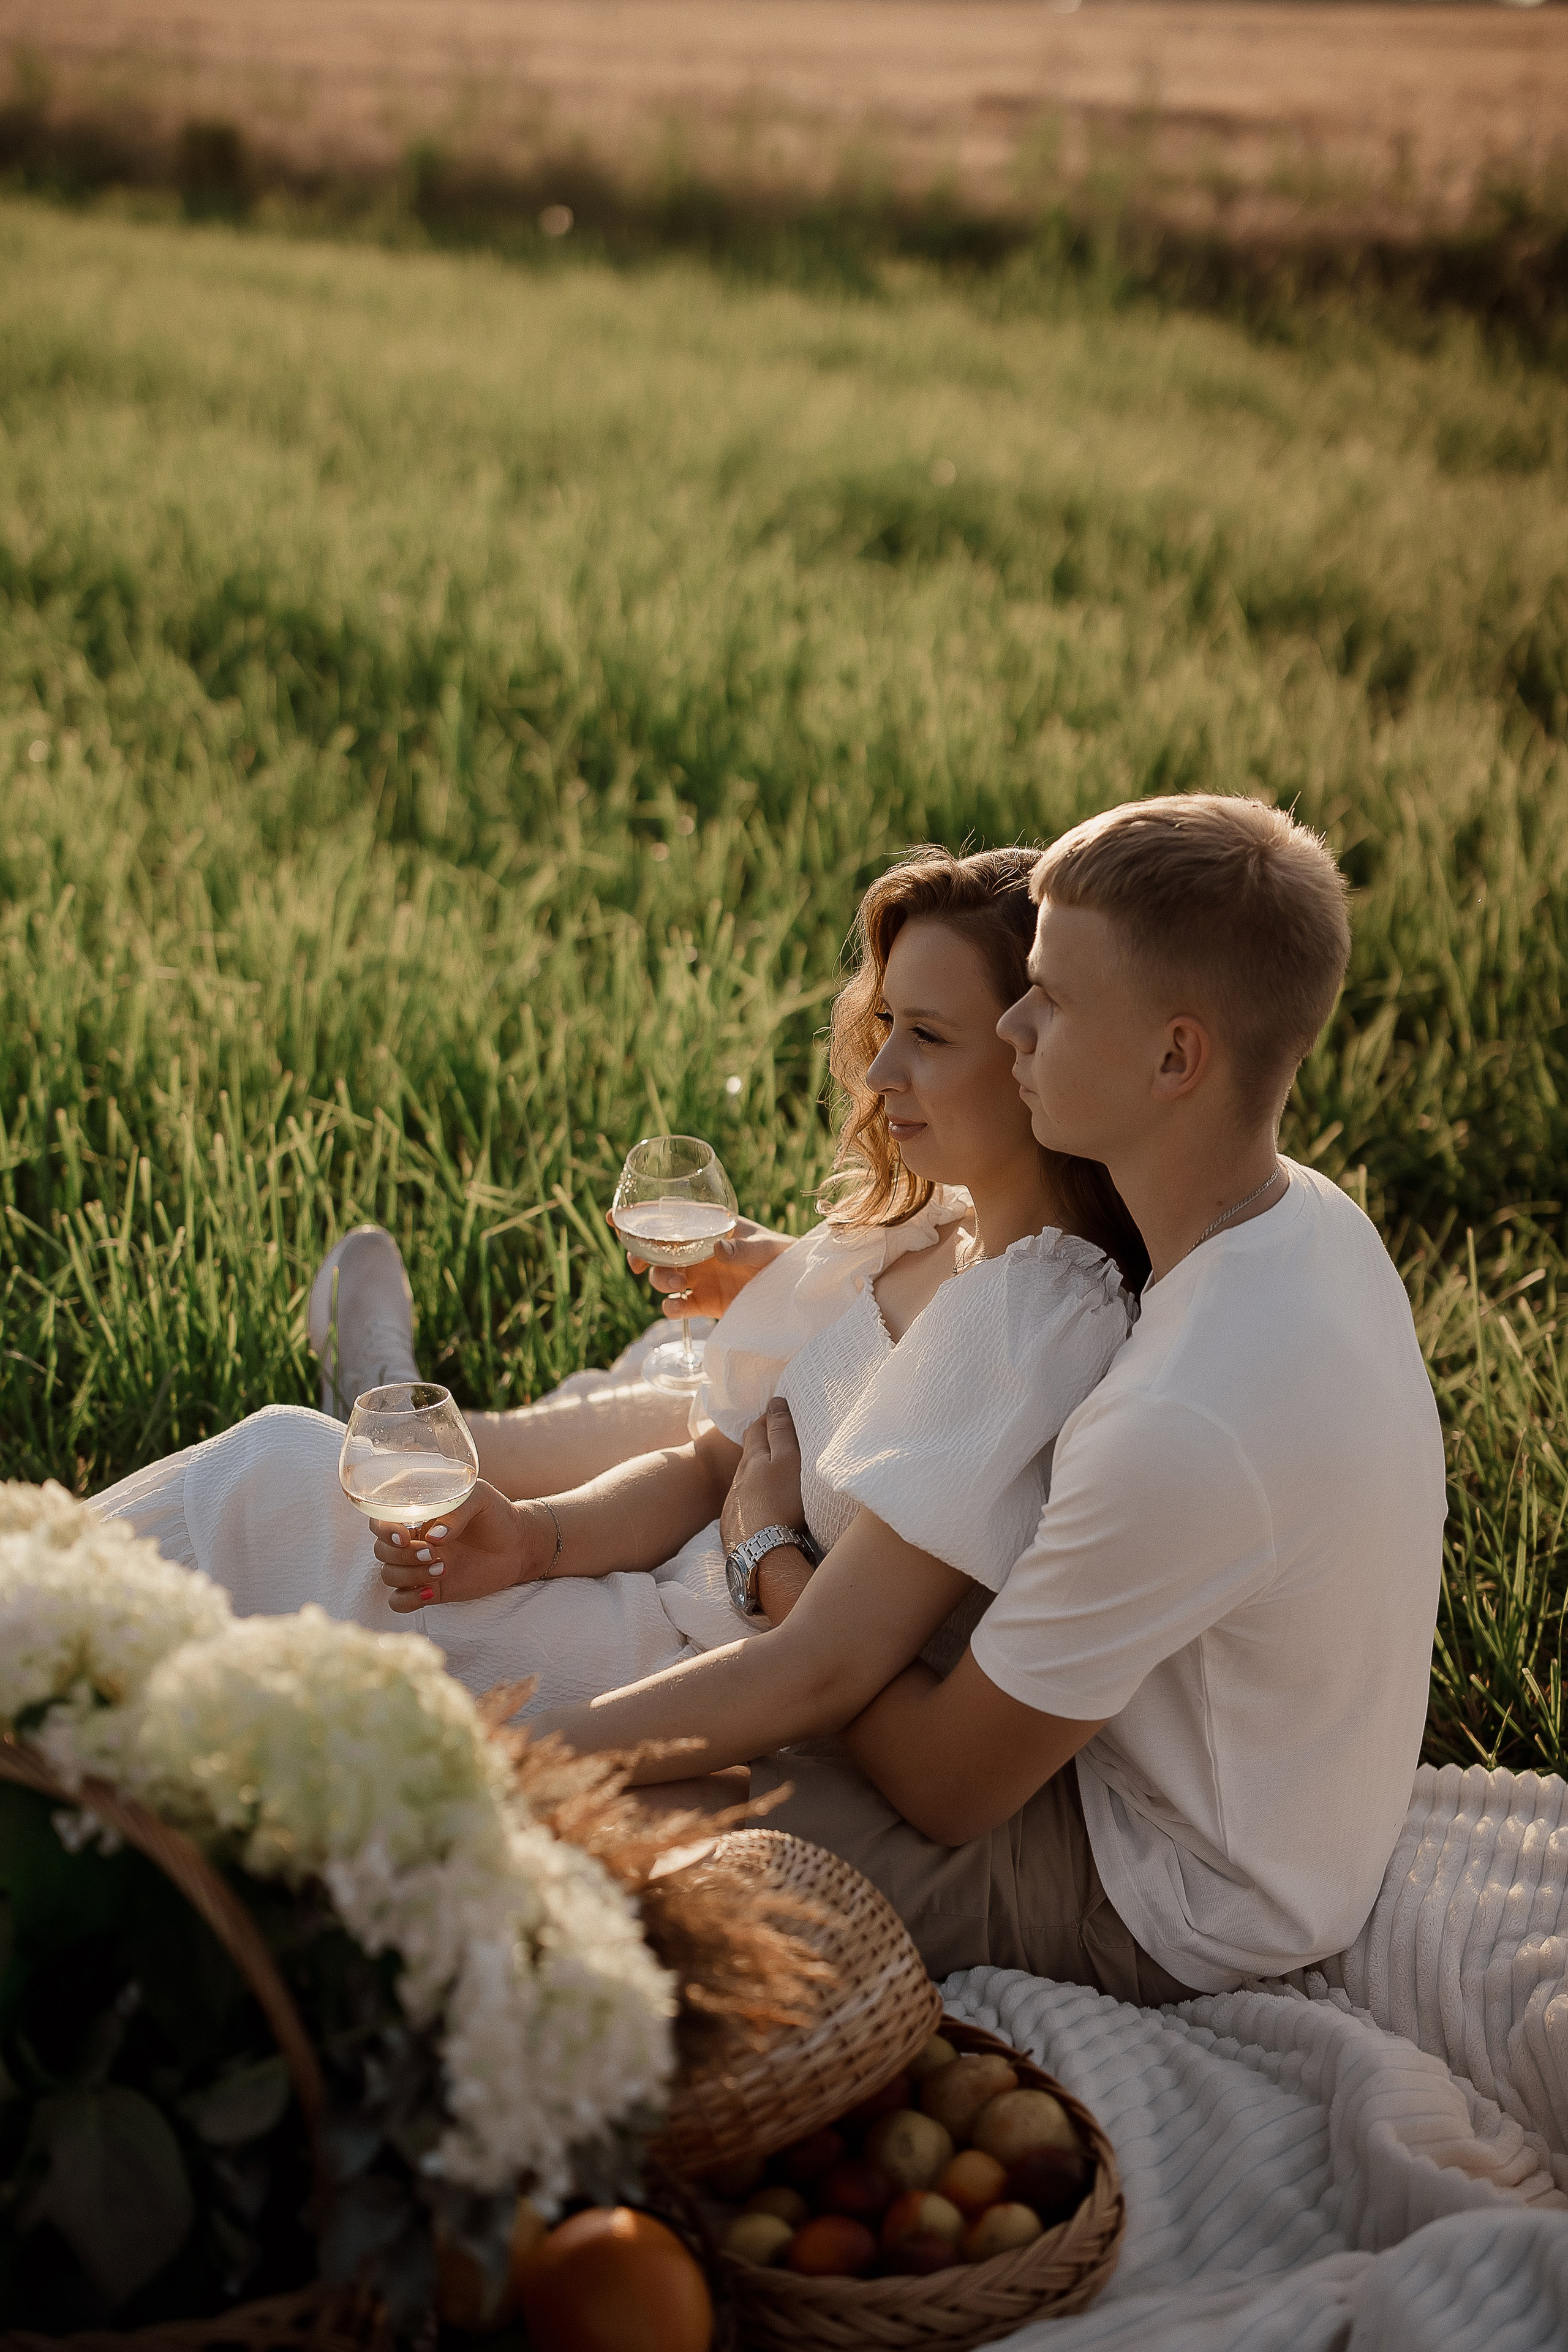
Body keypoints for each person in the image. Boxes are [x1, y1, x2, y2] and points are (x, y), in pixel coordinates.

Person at [477, 794, 1446, 2005]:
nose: (1014, 1025)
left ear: (1172, 1058)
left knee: (567, 1844)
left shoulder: (1175, 1415)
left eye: (1049, 1002)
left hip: (1166, 1882)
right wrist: (785, 1282)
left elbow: (942, 1783)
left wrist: (767, 1554)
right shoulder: (1297, 1218)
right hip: (1164, 1769)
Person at [95, 848, 1142, 1721]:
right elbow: (708, 1467)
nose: (876, 1076)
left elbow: (826, 1662)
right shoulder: (939, 1231)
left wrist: (750, 1541)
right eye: (887, 1028)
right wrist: (533, 1541)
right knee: (286, 1480)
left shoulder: (1027, 1325)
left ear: (1033, 1050)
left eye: (930, 1036)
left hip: (675, 1674)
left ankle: (53, 1609)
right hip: (652, 1582)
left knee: (276, 1475)